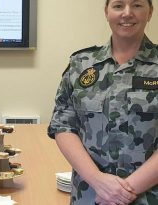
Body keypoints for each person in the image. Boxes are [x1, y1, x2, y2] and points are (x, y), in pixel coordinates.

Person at [48, 0, 158, 204]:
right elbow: (63, 126)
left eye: (137, 5)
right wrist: (98, 182)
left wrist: (123, 191)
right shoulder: (81, 64)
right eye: (118, 6)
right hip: (91, 195)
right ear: (106, 12)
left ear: (150, 12)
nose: (127, 13)